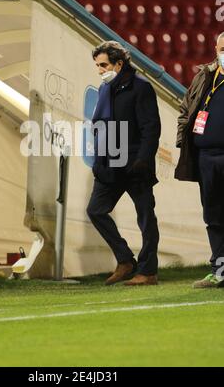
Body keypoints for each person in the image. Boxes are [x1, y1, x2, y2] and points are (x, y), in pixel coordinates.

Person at [87, 41, 161, 286]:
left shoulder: (140, 87)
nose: (100, 70)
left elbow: (151, 127)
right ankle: (126, 260)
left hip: (134, 164)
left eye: (104, 65)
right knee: (96, 210)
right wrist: (99, 161)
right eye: (97, 65)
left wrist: (143, 160)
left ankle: (148, 271)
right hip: (110, 163)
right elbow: (99, 127)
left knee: (145, 217)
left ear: (119, 63)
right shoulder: (105, 88)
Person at [175, 32, 224, 288]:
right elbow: (186, 108)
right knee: (213, 216)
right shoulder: (205, 76)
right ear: (215, 49)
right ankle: (220, 271)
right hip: (205, 157)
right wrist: (183, 139)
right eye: (223, 48)